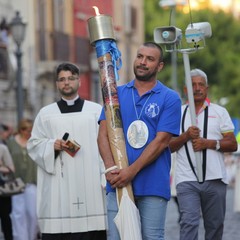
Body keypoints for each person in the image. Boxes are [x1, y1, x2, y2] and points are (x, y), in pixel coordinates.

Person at [98, 42, 181, 240]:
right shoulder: (115, 94)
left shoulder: (170, 98)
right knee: (116, 237)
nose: (142, 62)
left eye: (150, 59)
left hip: (152, 183)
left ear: (159, 66)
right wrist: (111, 170)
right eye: (140, 56)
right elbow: (103, 134)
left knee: (151, 237)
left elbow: (161, 142)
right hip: (117, 181)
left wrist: (130, 172)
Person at [27, 62, 107, 240]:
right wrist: (51, 145)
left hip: (90, 184)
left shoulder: (95, 111)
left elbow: (107, 144)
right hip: (58, 188)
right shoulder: (45, 114)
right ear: (57, 84)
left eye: (71, 78)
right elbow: (33, 145)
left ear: (79, 81)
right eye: (62, 79)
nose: (66, 82)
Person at [169, 68, 238, 240]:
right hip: (186, 180)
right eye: (193, 85)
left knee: (215, 226)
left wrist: (209, 143)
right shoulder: (177, 113)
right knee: (189, 222)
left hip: (215, 179)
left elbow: (232, 144)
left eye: (201, 84)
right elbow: (168, 146)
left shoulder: (219, 112)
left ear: (207, 88)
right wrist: (186, 136)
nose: (197, 88)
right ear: (186, 90)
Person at [6, 118, 39, 240]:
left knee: (33, 214)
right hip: (16, 183)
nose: (29, 133)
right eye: (27, 130)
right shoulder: (11, 143)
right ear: (21, 129)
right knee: (18, 214)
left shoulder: (34, 142)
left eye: (31, 130)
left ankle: (31, 237)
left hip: (32, 182)